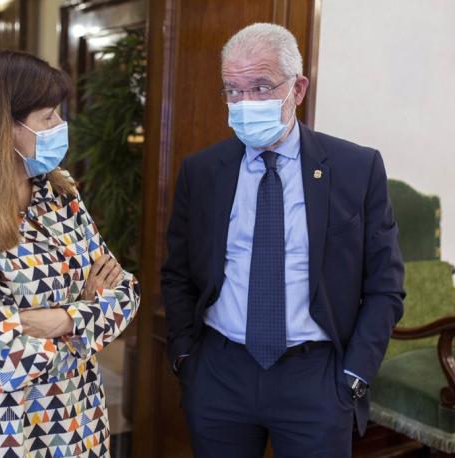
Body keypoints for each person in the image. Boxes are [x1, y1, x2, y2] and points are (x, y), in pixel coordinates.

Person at [162, 23, 404, 457]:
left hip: (315, 377)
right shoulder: (202, 171)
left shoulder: (355, 168)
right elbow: (178, 273)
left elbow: (385, 285)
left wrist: (354, 375)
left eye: (260, 87)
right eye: (232, 91)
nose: (245, 103)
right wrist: (186, 359)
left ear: (298, 88)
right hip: (220, 372)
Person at [0, 50, 140, 457]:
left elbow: (125, 294)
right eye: (48, 117)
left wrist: (58, 319)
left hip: (77, 416)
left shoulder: (60, 193)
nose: (61, 126)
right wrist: (86, 317)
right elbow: (6, 355)